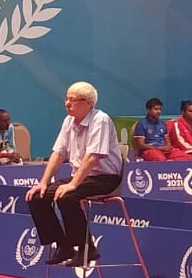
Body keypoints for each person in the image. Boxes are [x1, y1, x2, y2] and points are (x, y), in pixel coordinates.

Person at [25, 81, 123, 267]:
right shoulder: (68, 121)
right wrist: (43, 182)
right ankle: (64, 246)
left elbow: (93, 157)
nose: (67, 104)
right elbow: (58, 153)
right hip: (81, 177)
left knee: (67, 196)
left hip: (105, 178)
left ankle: (87, 248)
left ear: (88, 103)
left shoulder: (100, 120)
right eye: (66, 99)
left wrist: (73, 184)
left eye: (73, 100)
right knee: (37, 197)